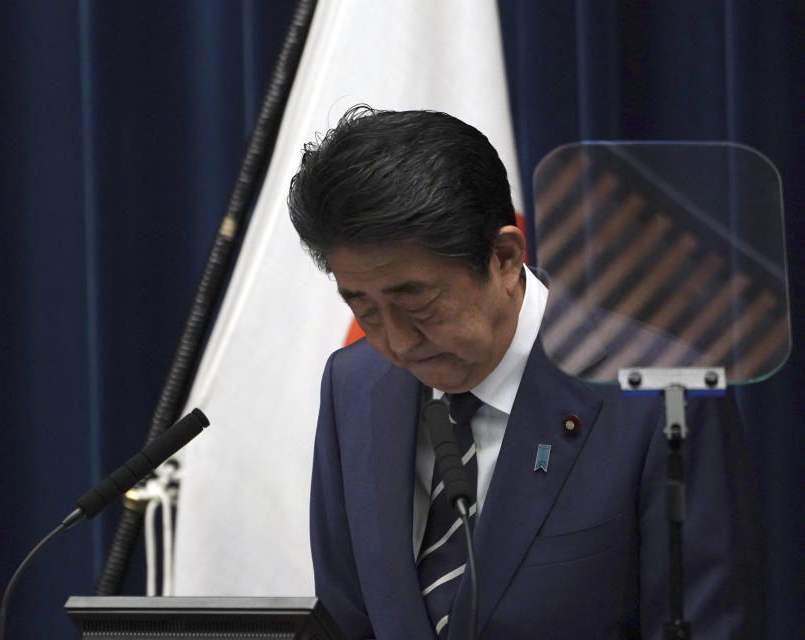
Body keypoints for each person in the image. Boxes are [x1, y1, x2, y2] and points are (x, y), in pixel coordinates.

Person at [288, 106, 765, 639]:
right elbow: (343, 619)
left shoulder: (660, 395)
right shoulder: (353, 385)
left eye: (416, 302)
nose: (396, 341)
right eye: (365, 309)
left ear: (505, 257)